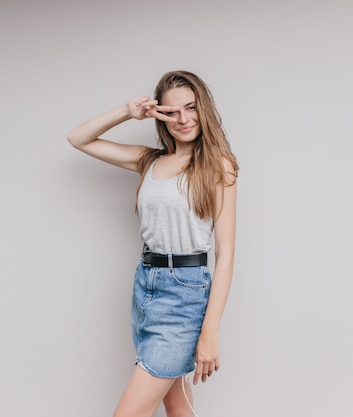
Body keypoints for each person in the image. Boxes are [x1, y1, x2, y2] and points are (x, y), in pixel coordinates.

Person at [67, 70, 238, 417]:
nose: (183, 119)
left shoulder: (219, 167)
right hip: (146, 287)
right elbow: (78, 138)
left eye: (190, 108)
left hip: (184, 296)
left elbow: (227, 253)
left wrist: (211, 330)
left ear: (203, 108)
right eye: (172, 111)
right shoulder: (149, 160)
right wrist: (127, 112)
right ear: (160, 115)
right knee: (176, 405)